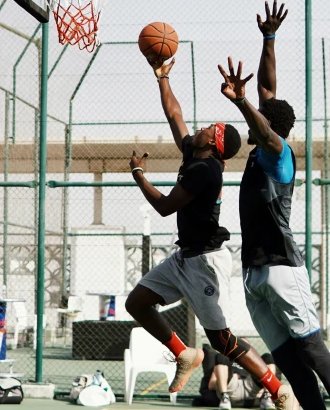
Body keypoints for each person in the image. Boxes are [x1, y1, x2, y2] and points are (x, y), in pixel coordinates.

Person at [125, 56, 294, 409]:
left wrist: (140, 174)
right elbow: (175, 115)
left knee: (222, 341)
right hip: (185, 256)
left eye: (209, 127)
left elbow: (165, 206)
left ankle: (277, 389)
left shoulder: (206, 170)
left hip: (206, 261)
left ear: (213, 142)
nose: (201, 127)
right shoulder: (195, 153)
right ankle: (184, 353)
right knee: (137, 302)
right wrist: (163, 78)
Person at [219, 0, 330, 409]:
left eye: (260, 118)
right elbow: (269, 90)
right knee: (287, 360)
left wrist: (240, 103)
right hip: (255, 274)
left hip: (283, 268)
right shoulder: (262, 149)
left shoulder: (279, 154)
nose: (255, 121)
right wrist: (269, 39)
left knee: (313, 352)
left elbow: (264, 126)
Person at [194, 345, 293, 409]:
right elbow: (211, 385)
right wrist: (230, 377)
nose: (243, 351)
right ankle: (225, 398)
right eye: (240, 347)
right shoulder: (226, 362)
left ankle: (267, 396)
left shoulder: (254, 363)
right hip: (232, 388)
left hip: (251, 388)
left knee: (268, 357)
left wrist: (263, 386)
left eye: (246, 348)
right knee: (221, 356)